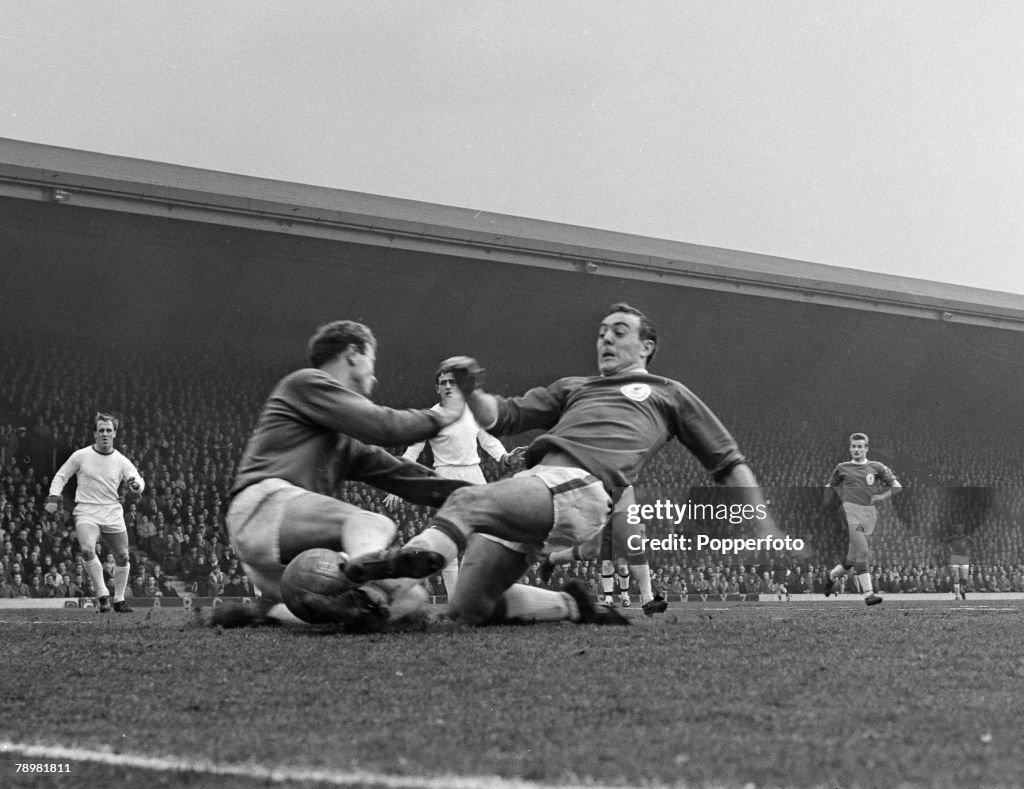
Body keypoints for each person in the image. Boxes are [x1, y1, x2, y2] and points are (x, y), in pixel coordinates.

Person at [344, 302, 781, 628]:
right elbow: (504, 416)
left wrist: (762, 523)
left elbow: (728, 462)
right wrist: (471, 389)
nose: (605, 339)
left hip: (582, 487)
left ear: (646, 346)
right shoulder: (575, 386)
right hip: (535, 488)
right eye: (601, 332)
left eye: (619, 331)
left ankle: (405, 562)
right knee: (469, 609)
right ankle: (574, 605)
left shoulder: (669, 393)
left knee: (465, 501)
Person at [214, 319, 471, 628]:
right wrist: (445, 414)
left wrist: (476, 496)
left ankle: (265, 614)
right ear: (353, 353)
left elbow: (404, 476)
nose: (374, 374)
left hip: (284, 562)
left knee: (409, 599)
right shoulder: (305, 382)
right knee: (370, 521)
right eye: (371, 361)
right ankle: (367, 569)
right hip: (261, 509)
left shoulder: (345, 445)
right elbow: (385, 426)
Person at [383, 368, 525, 599]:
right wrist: (396, 484)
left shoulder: (471, 412)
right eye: (443, 383)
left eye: (453, 382)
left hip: (474, 475)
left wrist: (506, 457)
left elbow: (488, 440)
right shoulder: (431, 416)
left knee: (482, 536)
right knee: (449, 537)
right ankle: (454, 600)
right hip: (445, 477)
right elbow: (413, 451)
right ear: (437, 388)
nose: (448, 386)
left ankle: (476, 596)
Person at [44, 413, 144, 613]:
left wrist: (135, 485)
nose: (105, 434)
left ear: (115, 433)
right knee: (88, 550)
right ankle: (102, 595)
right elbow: (61, 476)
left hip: (112, 511)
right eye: (101, 430)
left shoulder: (121, 460)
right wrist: (53, 498)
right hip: (87, 511)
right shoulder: (81, 455)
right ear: (94, 434)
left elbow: (138, 482)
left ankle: (119, 599)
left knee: (123, 556)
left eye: (109, 430)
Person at [539, 486, 668, 616]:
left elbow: (625, 482)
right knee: (591, 551)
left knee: (634, 543)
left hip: (622, 502)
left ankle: (648, 599)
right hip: (599, 503)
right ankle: (552, 558)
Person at [822, 432, 902, 606]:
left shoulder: (877, 467)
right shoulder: (842, 468)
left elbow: (897, 487)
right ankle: (869, 594)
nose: (856, 449)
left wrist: (881, 497)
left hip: (868, 515)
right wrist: (824, 506)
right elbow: (829, 486)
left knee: (850, 561)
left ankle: (830, 576)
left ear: (866, 448)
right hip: (849, 512)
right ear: (850, 448)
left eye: (860, 446)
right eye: (853, 446)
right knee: (863, 551)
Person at [941, 523, 974, 600]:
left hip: (964, 559)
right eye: (957, 528)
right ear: (955, 530)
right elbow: (943, 543)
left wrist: (969, 552)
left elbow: (973, 545)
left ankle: (962, 590)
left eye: (960, 528)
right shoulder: (952, 538)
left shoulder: (967, 538)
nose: (959, 530)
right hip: (954, 558)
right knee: (956, 577)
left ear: (963, 529)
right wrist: (948, 551)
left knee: (965, 579)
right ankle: (957, 595)